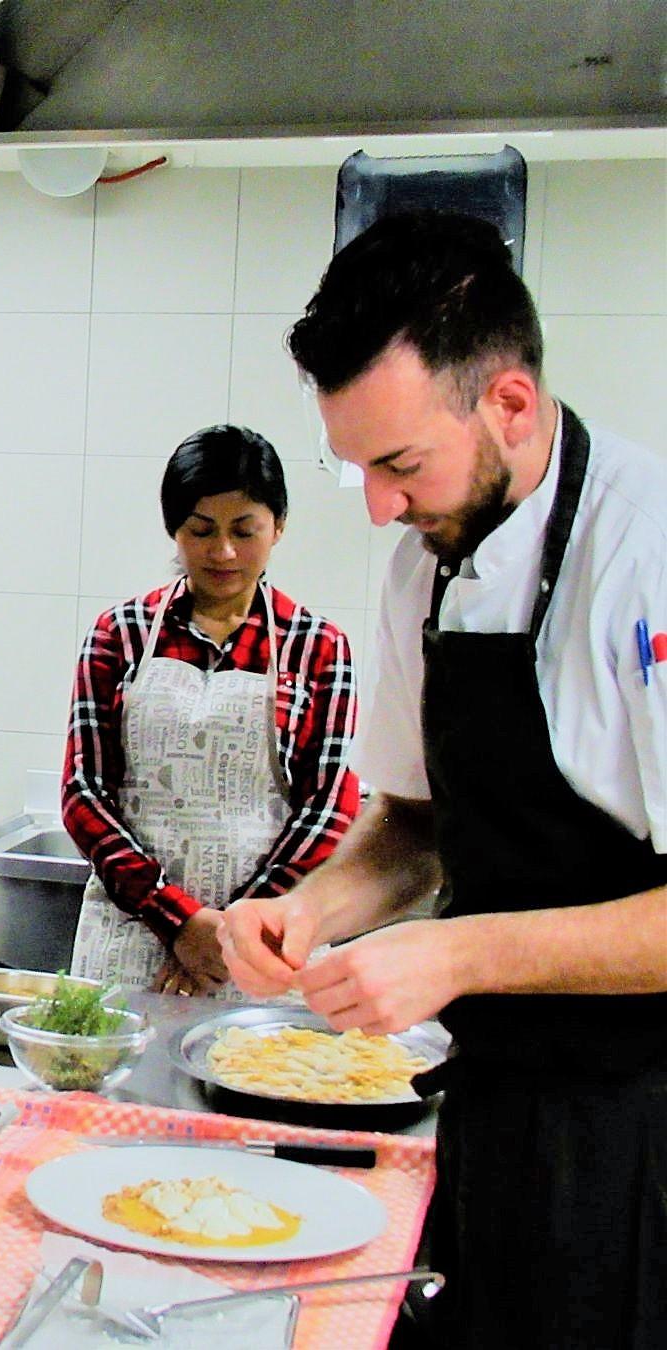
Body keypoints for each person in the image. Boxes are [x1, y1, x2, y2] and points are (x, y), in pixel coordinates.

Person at [220, 212, 667, 1348]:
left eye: (398, 463)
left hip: (643, 1124)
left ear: (508, 403)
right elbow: (417, 824)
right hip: (488, 1104)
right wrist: (311, 914)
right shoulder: (425, 562)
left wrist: (460, 951)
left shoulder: (647, 554)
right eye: (356, 467)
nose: (378, 506)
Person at [62, 425, 360, 995]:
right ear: (175, 529)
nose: (223, 552)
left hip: (268, 943)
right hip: (133, 935)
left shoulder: (320, 646)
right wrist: (176, 921)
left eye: (244, 530)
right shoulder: (119, 633)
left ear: (279, 527)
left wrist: (229, 934)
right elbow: (84, 794)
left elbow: (327, 809)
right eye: (201, 530)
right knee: (109, 1085)